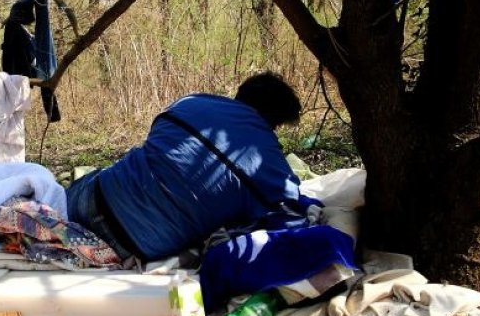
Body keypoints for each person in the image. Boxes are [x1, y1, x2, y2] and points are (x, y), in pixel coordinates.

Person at [66, 72, 306, 263]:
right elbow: (292, 212)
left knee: (100, 175)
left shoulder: (192, 102)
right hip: (135, 243)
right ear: (274, 121)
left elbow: (158, 141)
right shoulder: (267, 159)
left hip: (88, 199)